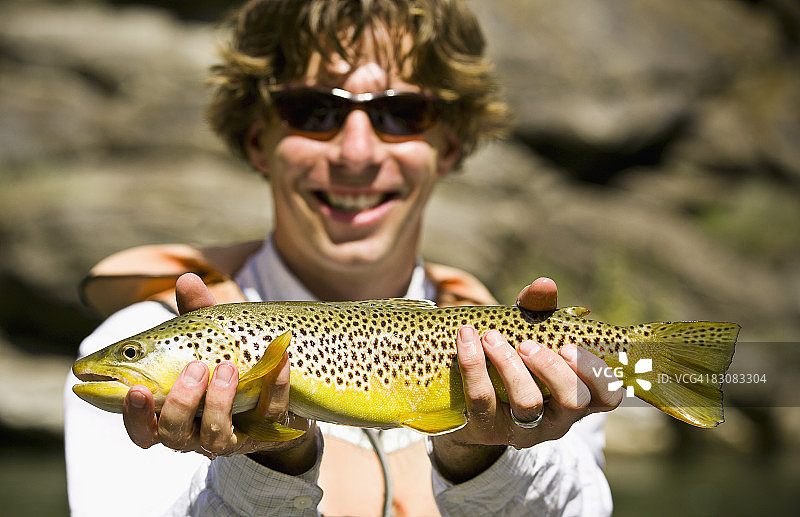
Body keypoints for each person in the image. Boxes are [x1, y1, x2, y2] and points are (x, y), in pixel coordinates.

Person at [64, 1, 623, 515]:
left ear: (449, 147)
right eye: (313, 110)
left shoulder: (541, 356)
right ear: (258, 139)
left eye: (402, 112)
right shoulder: (142, 339)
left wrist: (484, 458)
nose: (356, 152)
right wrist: (267, 465)